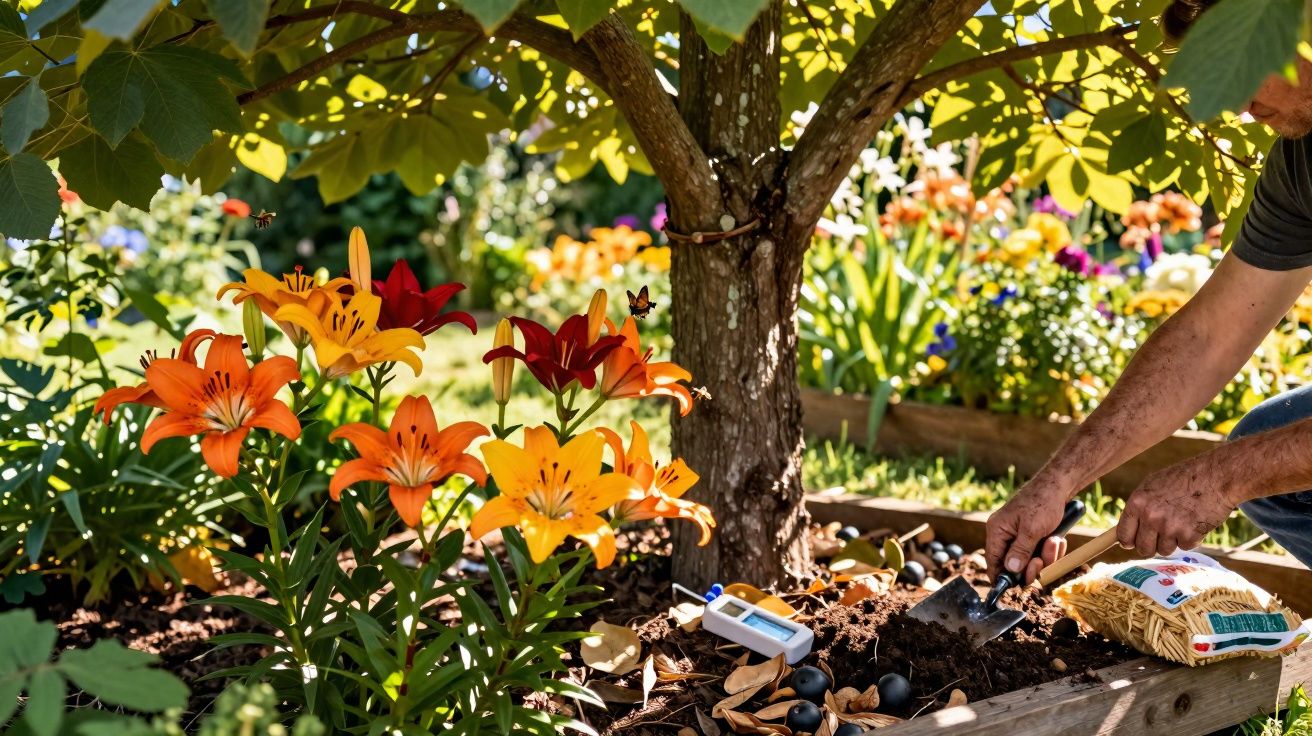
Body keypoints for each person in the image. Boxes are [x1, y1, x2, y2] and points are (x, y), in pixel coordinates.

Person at [985, 0, 1312, 585]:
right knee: (1272, 462)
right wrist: (1058, 482)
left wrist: (1220, 478)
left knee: (1259, 466)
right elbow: (1208, 337)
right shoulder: (1301, 162)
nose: (1232, 102)